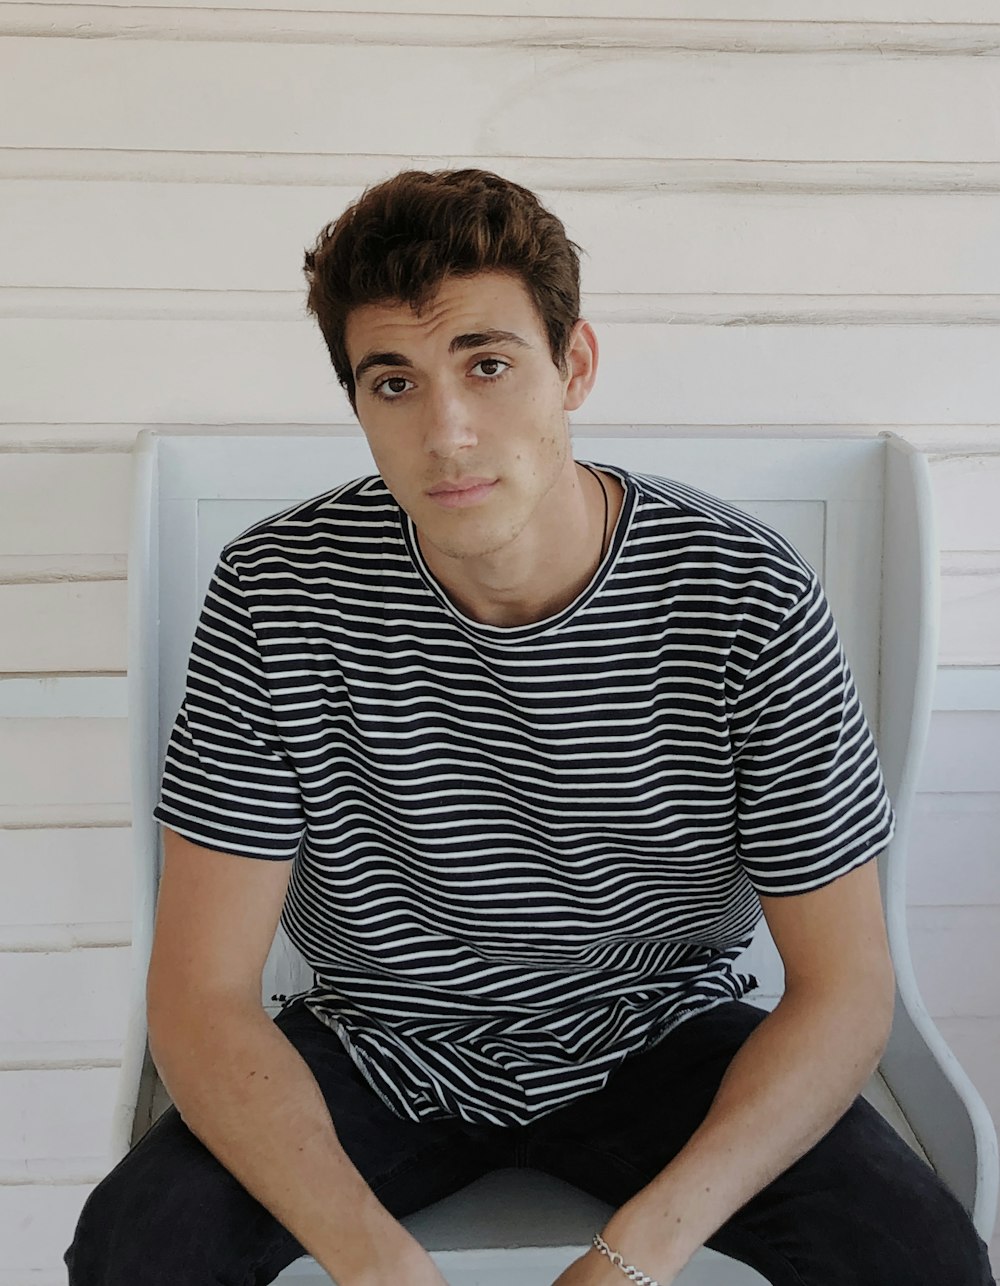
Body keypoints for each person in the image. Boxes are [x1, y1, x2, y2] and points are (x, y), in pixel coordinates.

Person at [64, 168, 995, 1286]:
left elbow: (846, 989)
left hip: (661, 1030)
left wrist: (632, 1254)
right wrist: (375, 1263)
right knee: (138, 1249)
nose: (447, 430)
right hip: (380, 1041)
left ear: (575, 365)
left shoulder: (743, 591)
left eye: (488, 364)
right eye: (393, 382)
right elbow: (202, 994)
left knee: (918, 1259)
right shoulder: (277, 591)